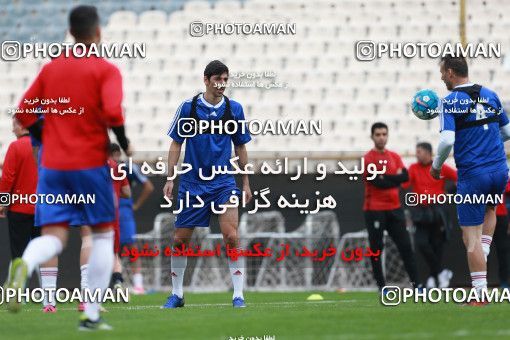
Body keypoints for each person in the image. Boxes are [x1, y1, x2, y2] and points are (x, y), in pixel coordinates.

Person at [6, 5, 131, 330]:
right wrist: (123, 140)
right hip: (89, 164)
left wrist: (44, 136)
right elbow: (114, 112)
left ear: (71, 32)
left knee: (55, 236)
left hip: (53, 167)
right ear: (98, 32)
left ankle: (25, 263)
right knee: (103, 236)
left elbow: (23, 112)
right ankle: (90, 315)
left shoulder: (51, 69)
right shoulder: (106, 70)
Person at [162, 60, 252, 308]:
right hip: (192, 184)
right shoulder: (188, 108)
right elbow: (176, 144)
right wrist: (170, 178)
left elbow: (241, 146)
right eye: (217, 79)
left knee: (231, 236)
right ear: (206, 80)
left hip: (223, 183)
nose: (222, 84)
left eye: (225, 79)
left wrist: (245, 182)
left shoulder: (234, 109)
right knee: (180, 240)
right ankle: (177, 294)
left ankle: (238, 295)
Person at [431, 55, 510, 305]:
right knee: (490, 210)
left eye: (443, 72)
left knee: (470, 239)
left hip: (473, 175)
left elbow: (446, 141)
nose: (442, 77)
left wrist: (436, 167)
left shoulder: (450, 101)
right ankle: (484, 251)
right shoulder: (491, 94)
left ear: (452, 72)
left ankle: (479, 294)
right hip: (499, 171)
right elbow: (507, 132)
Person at [363, 122, 420, 291]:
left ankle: (417, 285)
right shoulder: (368, 158)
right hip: (374, 209)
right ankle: (382, 286)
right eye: (378, 134)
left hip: (395, 208)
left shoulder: (394, 156)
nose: (381, 137)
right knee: (376, 249)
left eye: (384, 134)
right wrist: (393, 178)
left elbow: (404, 177)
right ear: (372, 136)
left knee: (405, 247)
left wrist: (385, 178)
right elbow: (376, 182)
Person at [402, 142, 457, 288]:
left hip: (438, 211)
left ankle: (434, 278)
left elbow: (459, 177)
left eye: (419, 151)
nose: (417, 154)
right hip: (420, 212)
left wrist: (447, 193)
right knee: (422, 243)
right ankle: (441, 272)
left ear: (428, 152)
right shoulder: (413, 168)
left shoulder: (440, 167)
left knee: (437, 246)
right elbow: (404, 184)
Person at [110, 142, 154, 294]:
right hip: (118, 208)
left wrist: (135, 205)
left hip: (120, 209)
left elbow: (148, 186)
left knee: (125, 245)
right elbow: (148, 186)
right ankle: (124, 283)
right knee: (117, 247)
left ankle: (135, 284)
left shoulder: (126, 168)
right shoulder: (124, 167)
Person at [0, 118, 39, 263]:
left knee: (19, 254)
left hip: (19, 209)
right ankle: (48, 286)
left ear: (22, 126)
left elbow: (7, 178)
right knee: (42, 256)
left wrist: (2, 203)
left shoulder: (15, 146)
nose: (12, 130)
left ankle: (19, 285)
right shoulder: (43, 146)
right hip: (42, 208)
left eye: (14, 126)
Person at [492, 179, 510, 288]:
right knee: (482, 251)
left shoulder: (502, 174)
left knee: (503, 251)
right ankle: (480, 283)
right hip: (481, 216)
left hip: (500, 216)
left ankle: (504, 281)